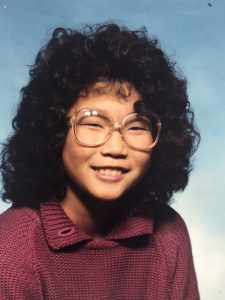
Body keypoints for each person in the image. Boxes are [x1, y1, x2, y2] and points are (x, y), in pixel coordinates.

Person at [0, 23, 200, 299]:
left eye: (137, 126)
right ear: (55, 131)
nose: (116, 147)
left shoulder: (168, 233)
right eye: (93, 123)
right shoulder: (13, 247)